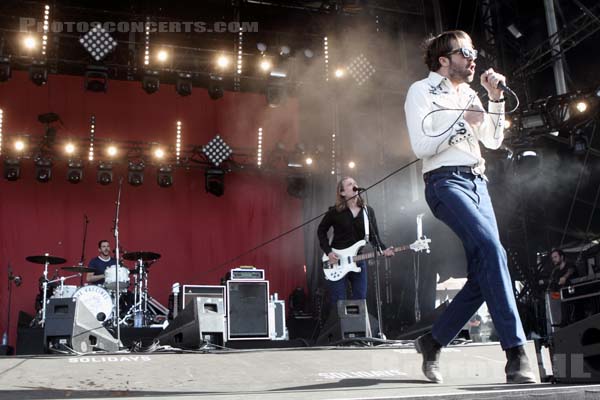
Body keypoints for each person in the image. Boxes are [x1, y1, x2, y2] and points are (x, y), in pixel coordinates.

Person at [404, 30, 535, 384]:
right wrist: (461, 117)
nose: (473, 57)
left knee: (485, 269)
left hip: (478, 182)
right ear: (444, 60)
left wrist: (494, 100)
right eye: (465, 52)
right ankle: (516, 351)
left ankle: (433, 341)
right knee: (494, 250)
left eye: (474, 50)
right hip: (444, 182)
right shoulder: (421, 91)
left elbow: (492, 139)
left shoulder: (469, 92)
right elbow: (421, 144)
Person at [317, 176, 394, 307]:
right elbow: (321, 231)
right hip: (336, 260)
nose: (354, 185)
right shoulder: (334, 212)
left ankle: (358, 327)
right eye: (349, 184)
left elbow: (374, 237)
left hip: (358, 260)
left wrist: (383, 249)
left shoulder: (367, 211)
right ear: (342, 192)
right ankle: (340, 327)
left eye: (355, 183)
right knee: (339, 302)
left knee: (360, 299)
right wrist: (329, 252)